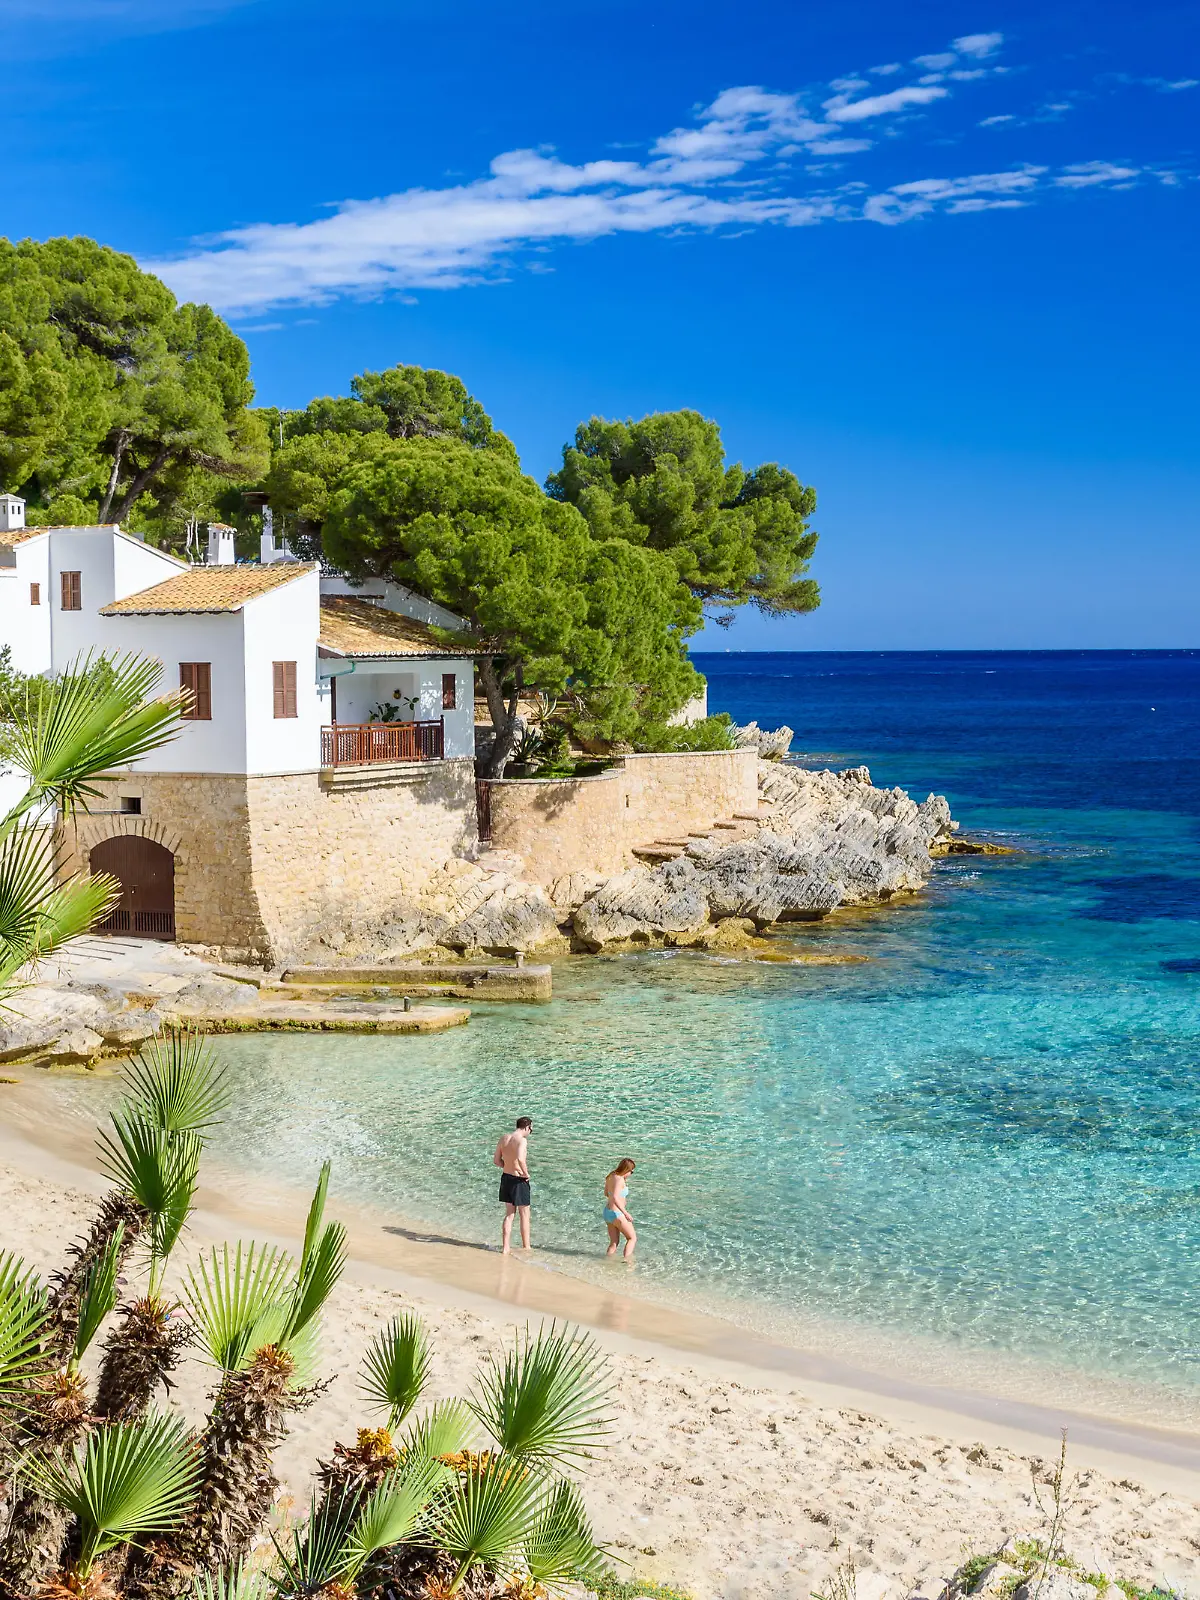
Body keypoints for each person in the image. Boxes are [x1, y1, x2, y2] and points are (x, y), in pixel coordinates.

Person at [494, 1116, 533, 1254]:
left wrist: (508, 1167)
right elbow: (521, 1159)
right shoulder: (522, 1141)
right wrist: (526, 1174)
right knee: (524, 1214)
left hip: (506, 1178)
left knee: (509, 1214)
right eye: (531, 1129)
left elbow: (497, 1160)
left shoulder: (504, 1138)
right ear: (527, 1127)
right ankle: (526, 1247)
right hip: (518, 1180)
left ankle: (505, 1247)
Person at [602, 1157, 636, 1260]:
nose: (631, 1174)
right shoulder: (620, 1179)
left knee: (614, 1242)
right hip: (617, 1214)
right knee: (632, 1238)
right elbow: (616, 1197)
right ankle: (627, 1262)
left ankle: (607, 1261)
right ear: (627, 1170)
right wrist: (625, 1213)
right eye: (631, 1171)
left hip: (607, 1212)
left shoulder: (611, 1175)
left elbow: (606, 1193)